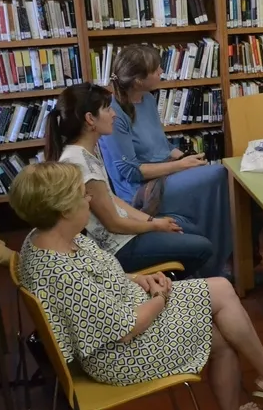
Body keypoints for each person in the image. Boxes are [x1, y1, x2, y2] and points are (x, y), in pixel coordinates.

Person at [11, 162, 263, 410]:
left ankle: (256, 394)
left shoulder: (44, 240)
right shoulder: (63, 274)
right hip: (120, 355)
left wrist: (139, 278)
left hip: (129, 313)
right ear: (63, 210)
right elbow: (127, 328)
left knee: (221, 313)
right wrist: (161, 297)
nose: (89, 199)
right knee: (222, 302)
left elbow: (100, 276)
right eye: (81, 194)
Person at [44, 83, 214, 277]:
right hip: (118, 247)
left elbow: (110, 199)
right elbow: (113, 224)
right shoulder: (80, 164)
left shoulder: (87, 150)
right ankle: (165, 287)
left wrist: (151, 219)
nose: (114, 114)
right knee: (202, 246)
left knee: (189, 228)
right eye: (107, 109)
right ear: (90, 119)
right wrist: (155, 225)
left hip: (124, 234)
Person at [98, 45, 232, 278]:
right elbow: (129, 171)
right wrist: (180, 166)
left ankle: (225, 254)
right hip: (142, 190)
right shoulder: (114, 114)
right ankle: (216, 264)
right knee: (219, 175)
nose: (162, 70)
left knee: (222, 178)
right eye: (156, 69)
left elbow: (161, 146)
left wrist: (182, 157)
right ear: (139, 80)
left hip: (167, 174)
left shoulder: (147, 99)